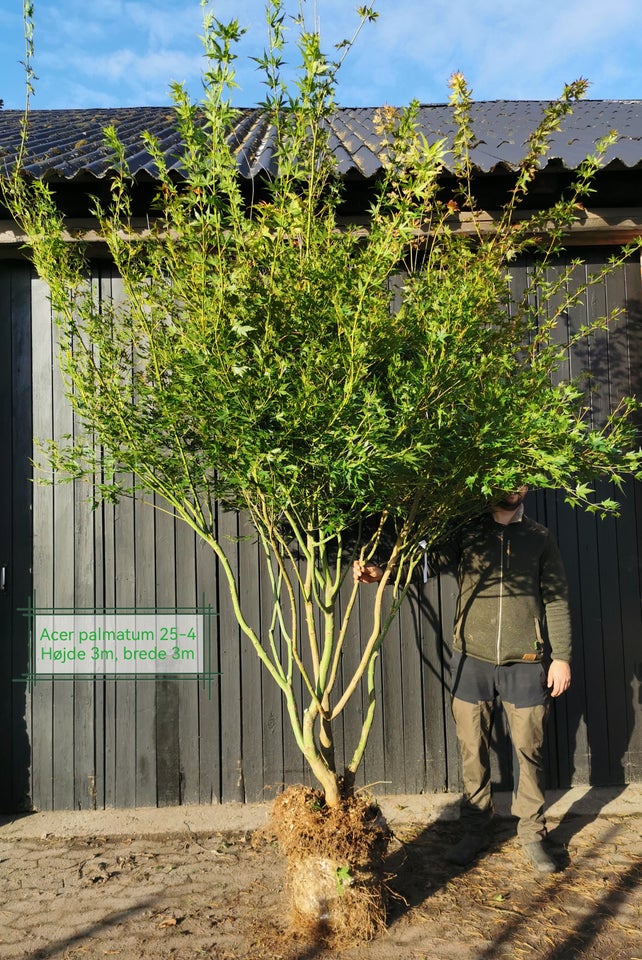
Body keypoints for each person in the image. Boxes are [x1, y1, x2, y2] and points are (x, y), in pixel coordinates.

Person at [353, 486, 572, 874]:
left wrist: (561, 659)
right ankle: (476, 828)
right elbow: (426, 566)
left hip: (527, 662)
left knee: (529, 751)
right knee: (473, 749)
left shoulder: (539, 538)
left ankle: (532, 833)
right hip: (472, 660)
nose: (516, 488)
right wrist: (382, 572)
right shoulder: (468, 531)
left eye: (523, 482)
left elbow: (555, 598)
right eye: (509, 480)